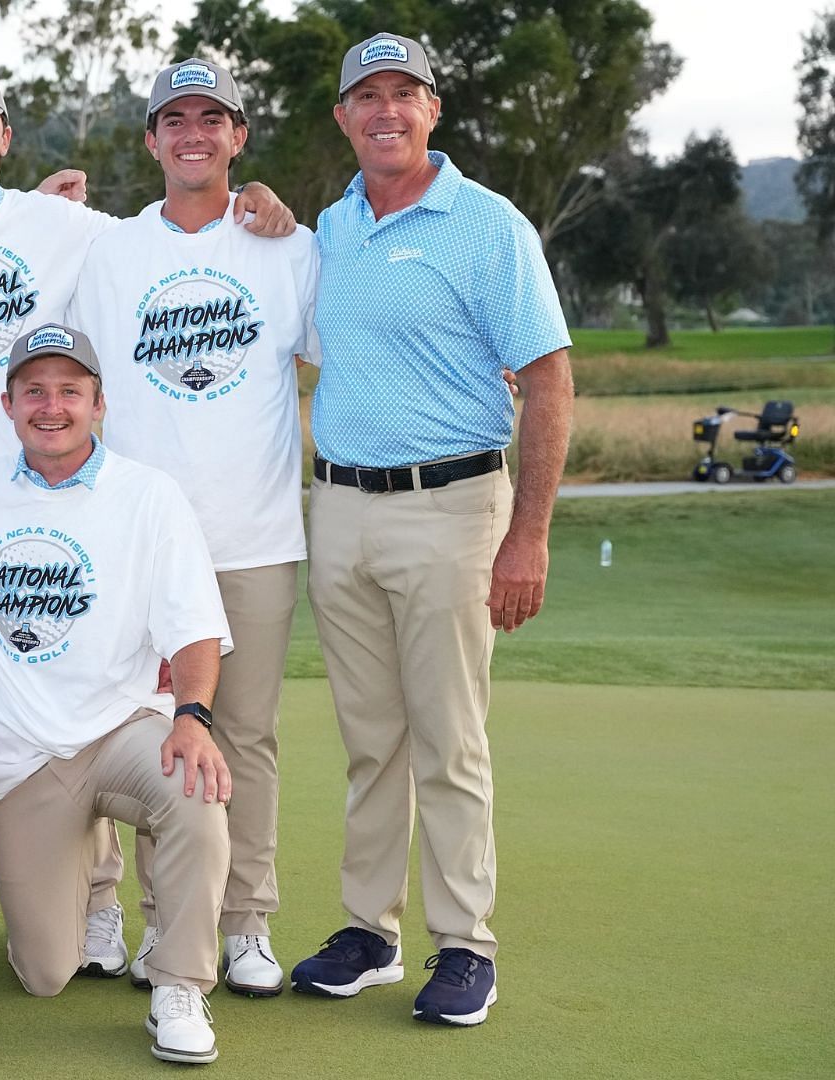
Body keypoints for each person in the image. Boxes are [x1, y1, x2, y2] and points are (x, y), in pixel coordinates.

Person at [0, 61, 295, 971]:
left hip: (64, 512)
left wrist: (256, 198)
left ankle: (120, 909)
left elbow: (182, 230)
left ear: (6, 134)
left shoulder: (68, 228)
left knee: (93, 696)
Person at [287, 32, 573, 1028]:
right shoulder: (332, 229)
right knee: (372, 742)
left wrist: (527, 536)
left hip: (454, 509)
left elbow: (547, 380)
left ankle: (466, 946)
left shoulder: (488, 227)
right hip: (344, 510)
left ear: (432, 110)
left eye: (404, 94)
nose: (385, 112)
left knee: (448, 743)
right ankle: (369, 930)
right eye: (366, 97)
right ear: (343, 118)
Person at [69, 56, 318, 997]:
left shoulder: (285, 247)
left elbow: (347, 355)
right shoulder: (111, 252)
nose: (193, 135)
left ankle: (244, 922)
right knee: (120, 727)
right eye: (175, 121)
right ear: (152, 140)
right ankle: (135, 919)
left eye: (211, 120)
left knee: (241, 736)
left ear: (238, 136)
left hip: (251, 537)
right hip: (131, 541)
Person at [0, 323, 235, 1063]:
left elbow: (196, 628)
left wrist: (194, 719)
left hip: (119, 731)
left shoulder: (148, 496)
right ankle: (96, 899)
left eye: (69, 391)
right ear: (7, 403)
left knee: (193, 787)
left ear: (99, 403)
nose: (53, 407)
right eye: (35, 391)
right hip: (21, 759)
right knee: (45, 973)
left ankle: (178, 983)